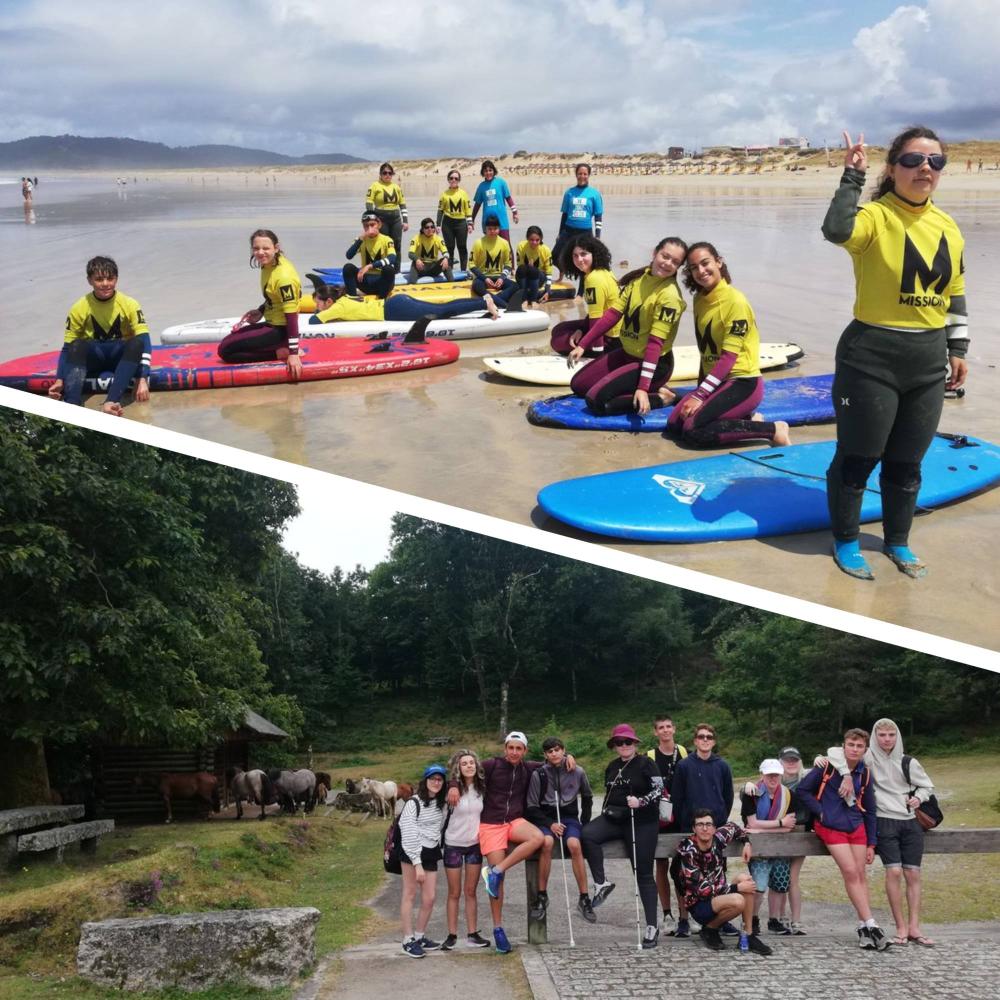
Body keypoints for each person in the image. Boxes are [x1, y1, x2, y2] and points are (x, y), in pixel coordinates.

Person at [821, 127, 968, 581]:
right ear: (893, 168)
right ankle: (846, 539)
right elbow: (836, 229)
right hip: (871, 356)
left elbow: (955, 293)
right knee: (860, 455)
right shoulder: (875, 217)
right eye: (913, 160)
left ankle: (897, 541)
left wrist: (958, 347)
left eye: (935, 162)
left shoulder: (947, 226)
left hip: (926, 360)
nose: (925, 168)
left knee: (907, 461)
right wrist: (851, 175)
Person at [447, 731, 572, 954]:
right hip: (491, 824)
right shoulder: (491, 765)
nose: (514, 752)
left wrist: (568, 756)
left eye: (519, 748)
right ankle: (498, 929)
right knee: (499, 882)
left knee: (540, 838)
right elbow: (466, 768)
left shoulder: (528, 767)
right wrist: (453, 785)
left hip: (514, 820)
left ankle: (495, 871)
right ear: (505, 749)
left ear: (524, 750)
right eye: (510, 748)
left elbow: (552, 759)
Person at [822, 718, 936, 947]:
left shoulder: (908, 762)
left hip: (910, 821)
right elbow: (835, 751)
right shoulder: (868, 757)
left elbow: (927, 786)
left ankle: (914, 927)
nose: (887, 740)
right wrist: (844, 773)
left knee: (913, 874)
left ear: (898, 737)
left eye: (891, 735)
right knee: (893, 872)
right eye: (882, 735)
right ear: (875, 737)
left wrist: (919, 798)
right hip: (884, 820)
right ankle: (900, 927)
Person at [670, 242, 792, 447]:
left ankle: (774, 430)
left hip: (743, 382)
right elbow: (705, 352)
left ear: (719, 262)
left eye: (705, 263)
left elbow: (728, 357)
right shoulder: (700, 298)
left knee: (693, 431)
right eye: (694, 268)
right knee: (675, 424)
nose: (701, 271)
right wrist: (701, 389)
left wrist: (700, 396)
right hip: (717, 383)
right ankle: (747, 418)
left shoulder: (736, 302)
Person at [567, 238, 687, 416]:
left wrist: (643, 388)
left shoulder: (669, 296)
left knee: (597, 401)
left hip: (654, 364)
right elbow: (612, 315)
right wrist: (583, 345)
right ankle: (639, 386)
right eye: (665, 256)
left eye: (675, 262)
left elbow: (655, 343)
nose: (668, 263)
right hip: (627, 354)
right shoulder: (637, 281)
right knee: (579, 385)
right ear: (655, 253)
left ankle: (662, 397)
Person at [796, 728, 889, 950]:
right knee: (849, 871)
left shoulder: (864, 773)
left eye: (859, 746)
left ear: (865, 749)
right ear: (844, 746)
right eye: (851, 745)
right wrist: (821, 812)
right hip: (830, 826)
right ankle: (872, 924)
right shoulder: (826, 766)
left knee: (860, 874)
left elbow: (871, 808)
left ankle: (863, 927)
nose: (855, 749)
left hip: (856, 826)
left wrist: (872, 843)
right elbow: (803, 790)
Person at [580, 724, 663, 949]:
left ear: (635, 743)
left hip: (641, 819)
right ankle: (601, 883)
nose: (623, 746)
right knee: (586, 834)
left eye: (627, 742)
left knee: (643, 872)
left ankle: (652, 926)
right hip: (615, 818)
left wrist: (641, 801)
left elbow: (659, 790)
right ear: (614, 746)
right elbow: (608, 794)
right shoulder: (612, 766)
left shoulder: (647, 763)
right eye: (619, 743)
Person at [47, 255, 151, 416]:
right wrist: (60, 379)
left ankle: (111, 402)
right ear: (90, 280)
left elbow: (144, 339)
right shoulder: (79, 307)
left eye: (110, 279)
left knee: (136, 343)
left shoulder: (129, 304)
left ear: (116, 279)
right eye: (99, 279)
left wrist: (142, 377)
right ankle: (72, 402)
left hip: (119, 357)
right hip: (94, 358)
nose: (105, 284)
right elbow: (67, 348)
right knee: (77, 344)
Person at [673, 808, 772, 955]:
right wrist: (737, 887)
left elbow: (734, 827)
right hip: (699, 904)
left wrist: (746, 843)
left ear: (714, 828)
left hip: (719, 895)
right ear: (694, 828)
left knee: (746, 879)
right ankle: (710, 929)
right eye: (700, 825)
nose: (705, 828)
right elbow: (702, 889)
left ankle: (747, 935)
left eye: (708, 824)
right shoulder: (688, 851)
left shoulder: (718, 838)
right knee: (739, 899)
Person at [525, 736, 595, 924]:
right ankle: (542, 895)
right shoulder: (538, 774)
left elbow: (587, 797)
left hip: (569, 817)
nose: (554, 753)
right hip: (547, 818)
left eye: (557, 750)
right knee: (546, 842)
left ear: (563, 750)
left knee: (574, 844)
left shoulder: (577, 771)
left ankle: (584, 897)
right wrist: (550, 824)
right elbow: (531, 806)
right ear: (545, 755)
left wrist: (585, 823)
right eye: (550, 751)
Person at [217, 230, 302, 380]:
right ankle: (280, 348)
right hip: (271, 324)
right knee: (227, 342)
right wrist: (260, 311)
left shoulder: (284, 277)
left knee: (225, 352)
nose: (260, 253)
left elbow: (292, 316)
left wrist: (294, 354)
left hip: (280, 330)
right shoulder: (268, 265)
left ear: (276, 248)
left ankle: (279, 352)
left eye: (266, 248)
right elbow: (274, 296)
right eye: (256, 248)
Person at [739, 759, 797, 937]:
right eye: (769, 774)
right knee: (759, 885)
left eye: (776, 774)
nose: (773, 778)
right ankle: (753, 919)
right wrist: (779, 823)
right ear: (762, 775)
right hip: (758, 849)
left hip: (779, 846)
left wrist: (760, 828)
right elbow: (751, 823)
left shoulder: (788, 795)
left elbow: (790, 826)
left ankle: (774, 920)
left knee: (780, 884)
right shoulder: (752, 793)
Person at [440, 749, 490, 950]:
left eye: (472, 763)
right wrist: (452, 784)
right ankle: (451, 935)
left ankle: (472, 933)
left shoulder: (481, 789)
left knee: (471, 891)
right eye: (464, 763)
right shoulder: (449, 789)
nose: (469, 766)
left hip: (474, 846)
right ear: (458, 768)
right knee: (454, 892)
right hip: (453, 844)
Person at [646, 715, 689, 936]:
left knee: (683, 867)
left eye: (668, 726)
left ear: (674, 729)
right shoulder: (650, 756)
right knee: (661, 866)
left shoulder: (683, 752)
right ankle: (667, 914)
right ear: (655, 732)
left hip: (680, 816)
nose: (665, 730)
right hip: (659, 817)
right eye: (661, 728)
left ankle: (685, 916)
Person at [399, 764, 448, 958]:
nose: (436, 782)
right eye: (432, 779)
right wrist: (417, 863)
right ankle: (407, 939)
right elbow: (408, 831)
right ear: (425, 781)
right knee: (410, 893)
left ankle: (419, 935)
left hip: (431, 850)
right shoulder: (414, 802)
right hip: (412, 851)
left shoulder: (441, 803)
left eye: (439, 779)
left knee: (429, 897)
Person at [549, 234, 620, 356]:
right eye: (575, 256)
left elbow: (596, 319)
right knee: (559, 329)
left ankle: (599, 352)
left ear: (594, 253)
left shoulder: (594, 279)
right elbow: (597, 312)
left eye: (583, 254)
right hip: (613, 331)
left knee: (556, 341)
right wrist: (581, 330)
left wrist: (597, 355)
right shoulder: (604, 271)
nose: (579, 259)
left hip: (610, 339)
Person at [310, 283, 500, 324]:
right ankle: (482, 302)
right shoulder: (343, 299)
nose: (316, 307)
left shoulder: (337, 306)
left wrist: (317, 313)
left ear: (328, 301)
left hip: (394, 310)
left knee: (442, 311)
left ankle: (484, 303)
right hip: (395, 303)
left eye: (318, 303)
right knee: (442, 308)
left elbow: (314, 322)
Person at [551, 163, 604, 279]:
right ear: (576, 175)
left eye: (585, 174)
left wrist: (598, 236)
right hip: (569, 230)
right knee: (554, 255)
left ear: (589, 175)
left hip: (585, 232)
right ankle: (563, 271)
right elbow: (564, 215)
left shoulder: (594, 194)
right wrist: (560, 233)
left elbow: (598, 217)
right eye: (580, 173)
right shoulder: (569, 193)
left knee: (585, 263)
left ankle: (580, 293)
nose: (582, 176)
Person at [342, 212, 398, 299]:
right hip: (365, 283)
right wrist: (360, 239)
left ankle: (382, 300)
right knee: (348, 268)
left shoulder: (386, 240)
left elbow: (392, 258)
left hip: (382, 283)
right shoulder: (360, 240)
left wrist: (370, 266)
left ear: (379, 224)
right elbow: (349, 256)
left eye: (372, 225)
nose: (369, 229)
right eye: (366, 226)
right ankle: (352, 299)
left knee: (389, 269)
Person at [469, 215, 518, 308]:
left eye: (495, 228)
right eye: (489, 229)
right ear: (485, 229)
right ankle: (505, 305)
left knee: (516, 286)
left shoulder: (504, 243)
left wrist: (502, 278)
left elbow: (508, 264)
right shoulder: (478, 243)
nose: (492, 231)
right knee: (476, 287)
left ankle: (492, 301)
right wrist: (485, 279)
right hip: (482, 278)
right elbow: (471, 265)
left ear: (499, 229)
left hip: (498, 277)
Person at [365, 162, 408, 266]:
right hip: (381, 219)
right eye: (385, 173)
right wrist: (372, 219)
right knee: (384, 244)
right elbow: (369, 202)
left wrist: (405, 221)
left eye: (390, 173)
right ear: (380, 174)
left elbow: (402, 204)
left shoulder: (396, 187)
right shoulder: (375, 186)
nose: (387, 175)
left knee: (397, 244)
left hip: (396, 219)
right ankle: (384, 268)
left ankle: (397, 269)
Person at [471, 159, 518, 248]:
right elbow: (477, 205)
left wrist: (515, 212)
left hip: (502, 220)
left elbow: (508, 198)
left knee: (506, 246)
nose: (488, 173)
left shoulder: (501, 183)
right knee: (490, 247)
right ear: (483, 172)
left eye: (490, 170)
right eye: (485, 171)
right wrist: (472, 220)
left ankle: (509, 262)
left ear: (494, 171)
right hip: (487, 222)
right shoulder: (481, 186)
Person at [436, 170, 473, 271]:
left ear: (459, 180)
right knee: (449, 248)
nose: (453, 180)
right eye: (451, 178)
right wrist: (438, 224)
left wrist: (470, 223)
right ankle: (450, 270)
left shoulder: (464, 194)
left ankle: (463, 270)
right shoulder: (444, 194)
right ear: (448, 179)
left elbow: (468, 209)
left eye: (456, 178)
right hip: (447, 223)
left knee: (462, 247)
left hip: (461, 223)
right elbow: (440, 210)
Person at [514, 226, 554, 305]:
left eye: (537, 240)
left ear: (541, 239)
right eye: (531, 240)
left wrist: (547, 291)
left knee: (533, 270)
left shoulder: (546, 250)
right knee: (523, 269)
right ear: (527, 239)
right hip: (524, 278)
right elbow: (520, 266)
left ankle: (533, 300)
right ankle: (524, 299)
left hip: (539, 278)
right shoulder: (521, 246)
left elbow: (549, 273)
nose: (534, 242)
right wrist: (528, 267)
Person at [406, 218, 453, 284]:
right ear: (422, 229)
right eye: (427, 227)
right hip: (421, 266)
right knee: (414, 263)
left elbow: (445, 252)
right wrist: (417, 260)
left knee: (446, 261)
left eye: (432, 227)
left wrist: (445, 258)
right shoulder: (416, 238)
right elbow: (410, 253)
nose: (430, 229)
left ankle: (452, 284)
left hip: (433, 268)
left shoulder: (438, 239)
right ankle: (411, 285)